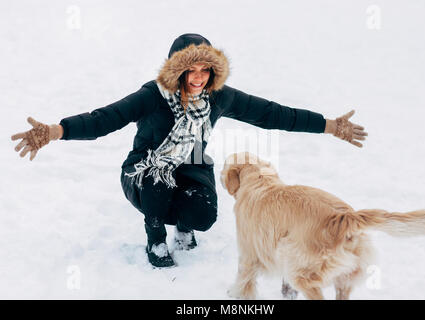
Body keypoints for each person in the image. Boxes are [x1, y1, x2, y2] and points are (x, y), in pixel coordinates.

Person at [11, 33, 368, 268]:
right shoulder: (151, 96)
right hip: (144, 169)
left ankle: (184, 226)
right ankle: (155, 239)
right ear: (175, 71)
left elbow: (272, 113)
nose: (198, 77)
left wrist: (330, 125)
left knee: (204, 216)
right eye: (189, 70)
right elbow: (106, 117)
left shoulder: (219, 97)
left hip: (193, 166)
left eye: (205, 70)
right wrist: (57, 131)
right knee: (156, 183)